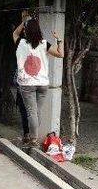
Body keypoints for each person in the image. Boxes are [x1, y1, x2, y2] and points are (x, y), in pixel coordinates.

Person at [12, 14, 64, 146]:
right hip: (42, 84)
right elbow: (61, 54)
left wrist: (24, 22)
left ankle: (33, 139)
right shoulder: (44, 44)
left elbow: (15, 33)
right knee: (36, 112)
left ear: (26, 31)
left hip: (27, 84)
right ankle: (33, 136)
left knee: (31, 112)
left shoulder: (21, 43)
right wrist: (59, 40)